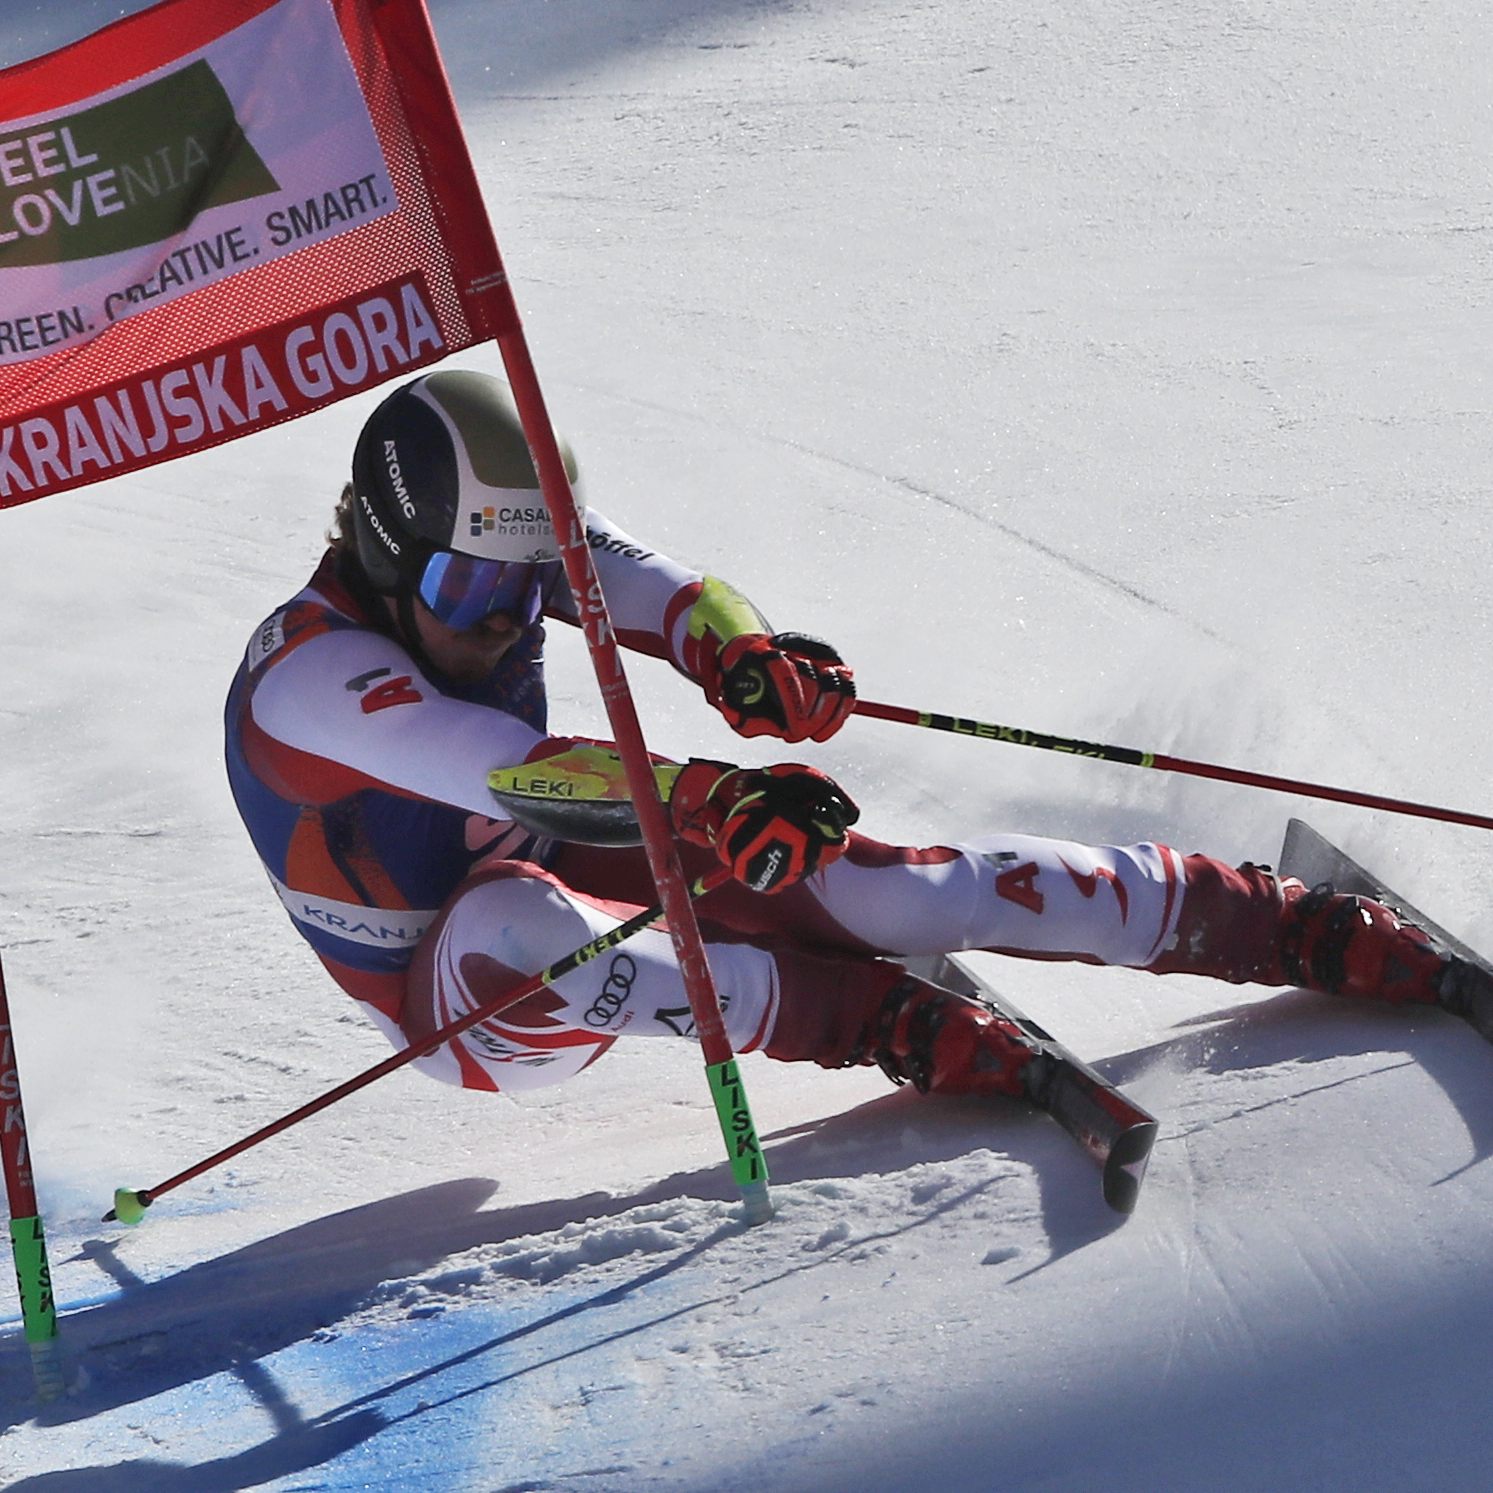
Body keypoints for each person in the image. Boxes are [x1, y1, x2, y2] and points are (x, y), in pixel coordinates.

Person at [224, 369, 1453, 1104]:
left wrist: (745, 654)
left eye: (526, 587)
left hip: (557, 841)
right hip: (467, 997)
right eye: (467, 591)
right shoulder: (309, 677)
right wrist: (709, 796)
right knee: (521, 925)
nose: (502, 621)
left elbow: (666, 588)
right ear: (383, 551)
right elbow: (493, 766)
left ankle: (1266, 919)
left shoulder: (507, 545)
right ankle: (860, 1018)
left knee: (894, 893)